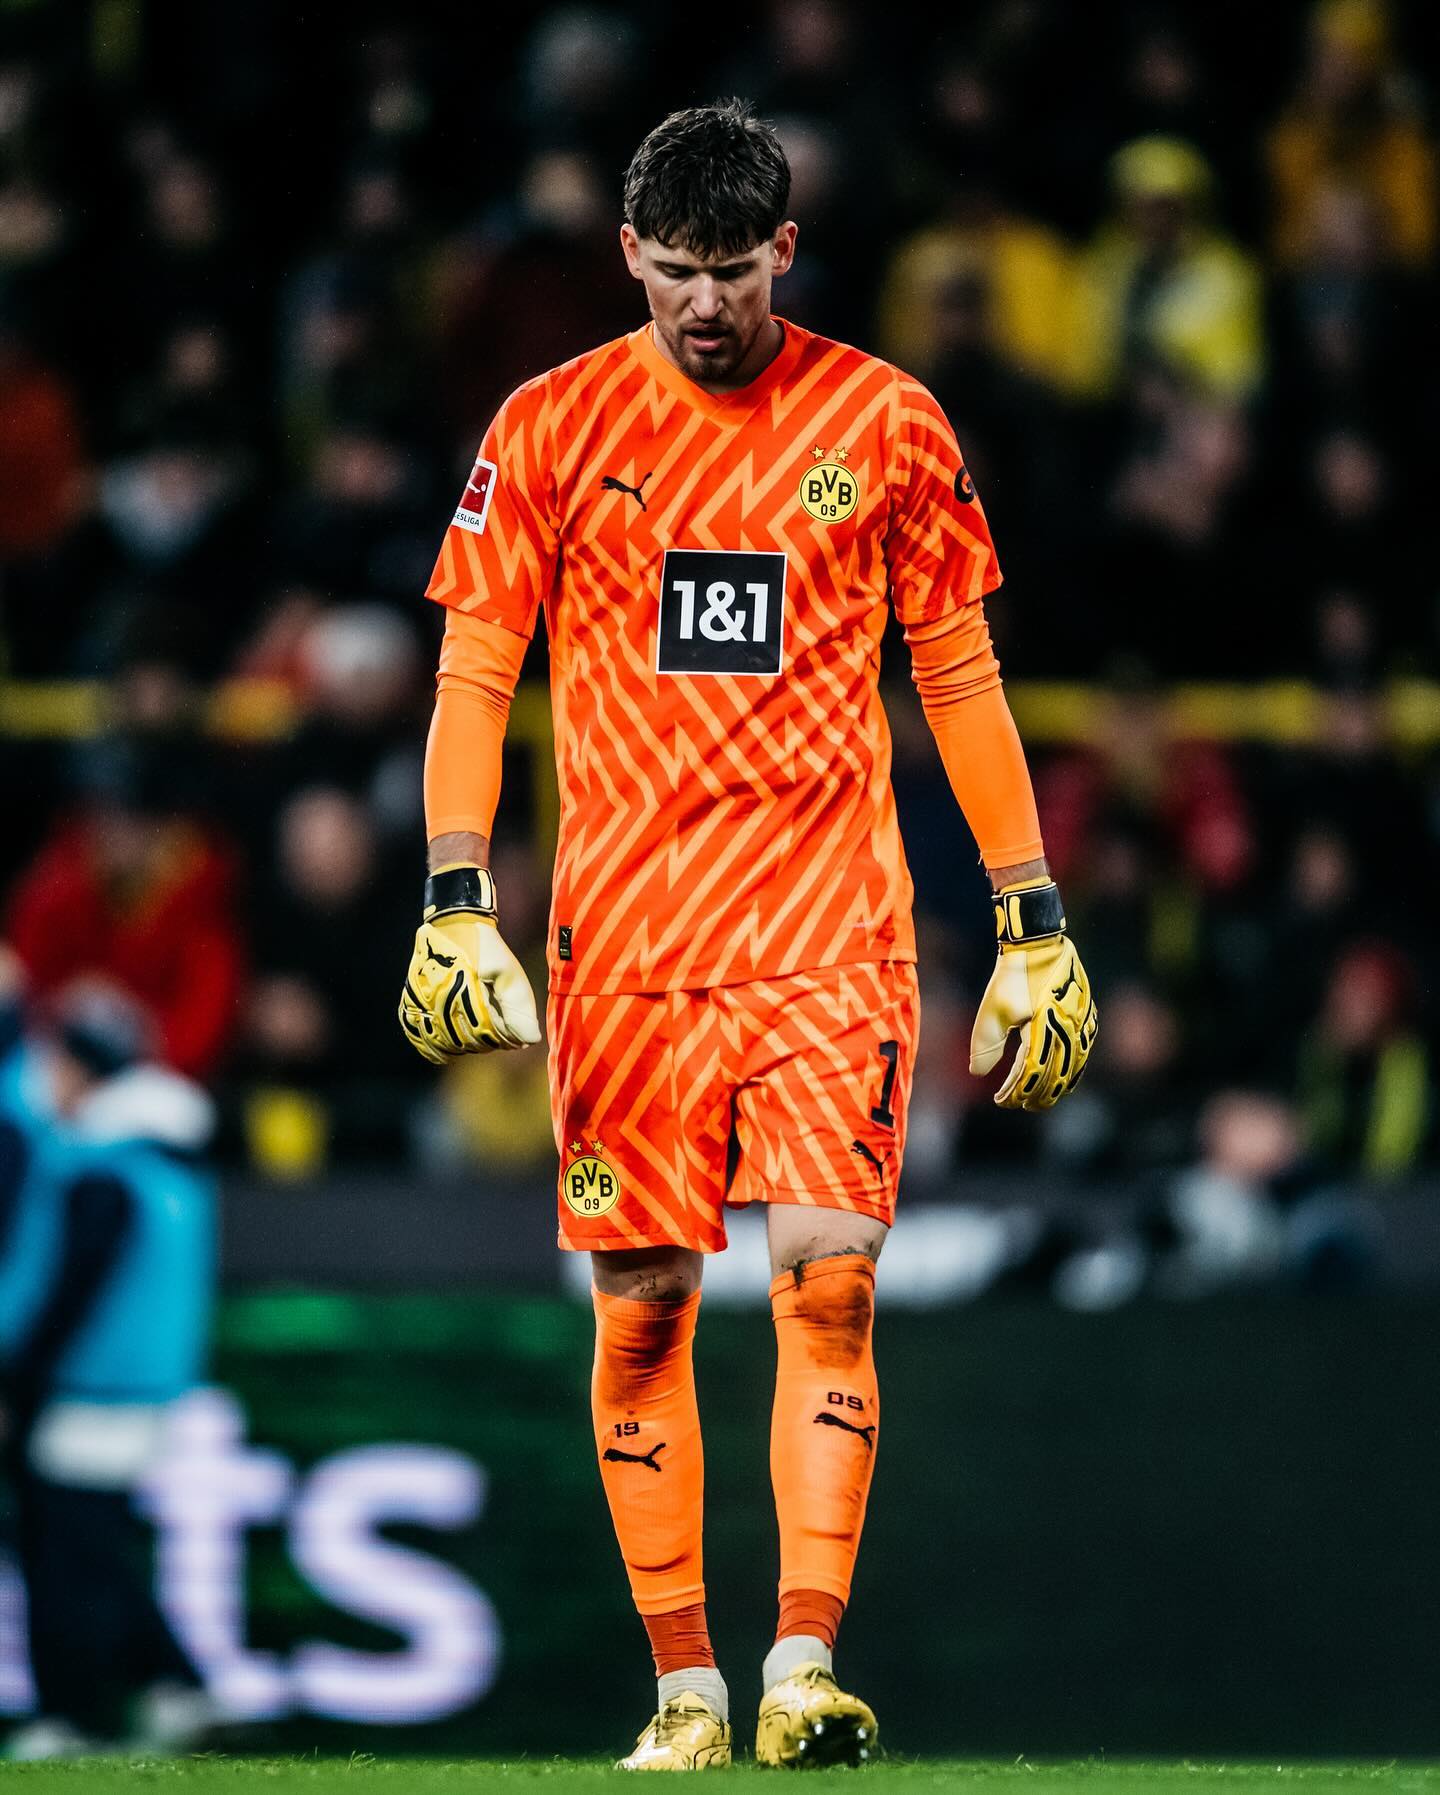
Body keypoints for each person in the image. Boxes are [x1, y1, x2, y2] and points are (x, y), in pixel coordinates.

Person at [398, 101, 1097, 1770]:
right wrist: (451, 892)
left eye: (732, 269)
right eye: (673, 271)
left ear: (786, 249)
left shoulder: (887, 420)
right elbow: (478, 668)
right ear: (627, 254)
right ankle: (683, 1690)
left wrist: (1032, 914)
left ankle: (800, 1667)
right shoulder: (550, 423)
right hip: (630, 940)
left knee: (830, 1287)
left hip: (828, 929)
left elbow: (960, 672)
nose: (704, 303)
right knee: (643, 1309)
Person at [0, 980, 216, 1758]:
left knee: (68, 1555)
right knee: (91, 1549)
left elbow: (68, 1290)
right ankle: (172, 1685)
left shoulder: (102, 1163)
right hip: (132, 1385)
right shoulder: (162, 1158)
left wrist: (17, 1380)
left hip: (90, 1386)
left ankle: (81, 1714)